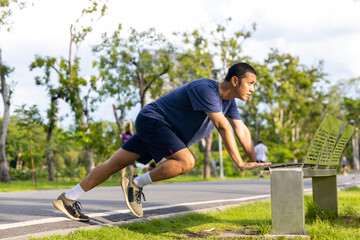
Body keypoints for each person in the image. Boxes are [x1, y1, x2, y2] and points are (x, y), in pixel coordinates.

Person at [52, 62, 271, 221]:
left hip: (160, 129)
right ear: (235, 80)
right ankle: (136, 183)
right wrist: (239, 163)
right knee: (187, 161)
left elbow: (240, 129)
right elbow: (223, 127)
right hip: (153, 121)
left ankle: (68, 199)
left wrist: (256, 162)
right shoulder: (207, 89)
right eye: (250, 83)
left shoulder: (228, 103)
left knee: (113, 164)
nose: (252, 89)